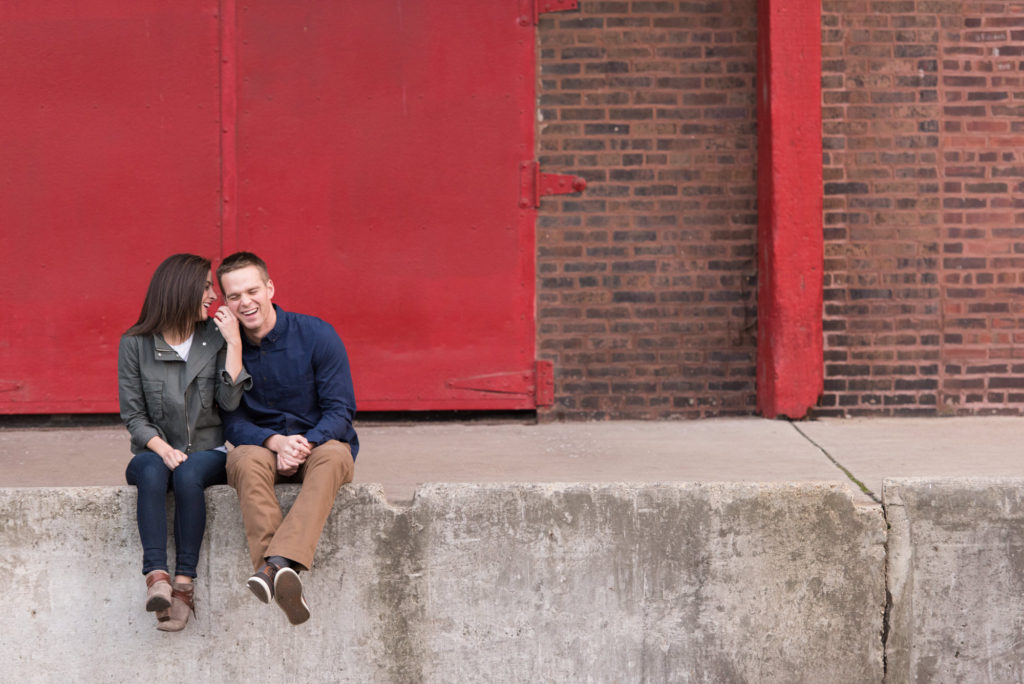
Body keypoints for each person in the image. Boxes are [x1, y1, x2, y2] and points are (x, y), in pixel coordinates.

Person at [217, 251, 358, 626]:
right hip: (266, 448)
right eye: (234, 296)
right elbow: (231, 420)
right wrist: (275, 442)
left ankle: (271, 567)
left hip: (320, 445)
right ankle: (283, 572)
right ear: (225, 303)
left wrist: (305, 443)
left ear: (270, 288)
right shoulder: (226, 348)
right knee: (242, 459)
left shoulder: (316, 334)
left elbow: (340, 410)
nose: (245, 302)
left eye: (252, 291)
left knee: (334, 457)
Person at [118, 253, 250, 632]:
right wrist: (161, 447)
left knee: (189, 473)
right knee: (149, 469)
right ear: (182, 290)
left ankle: (184, 584)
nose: (214, 296)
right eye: (207, 287)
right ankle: (157, 578)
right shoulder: (135, 344)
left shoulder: (215, 338)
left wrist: (234, 343)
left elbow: (230, 403)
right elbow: (134, 416)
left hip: (209, 451)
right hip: (155, 448)